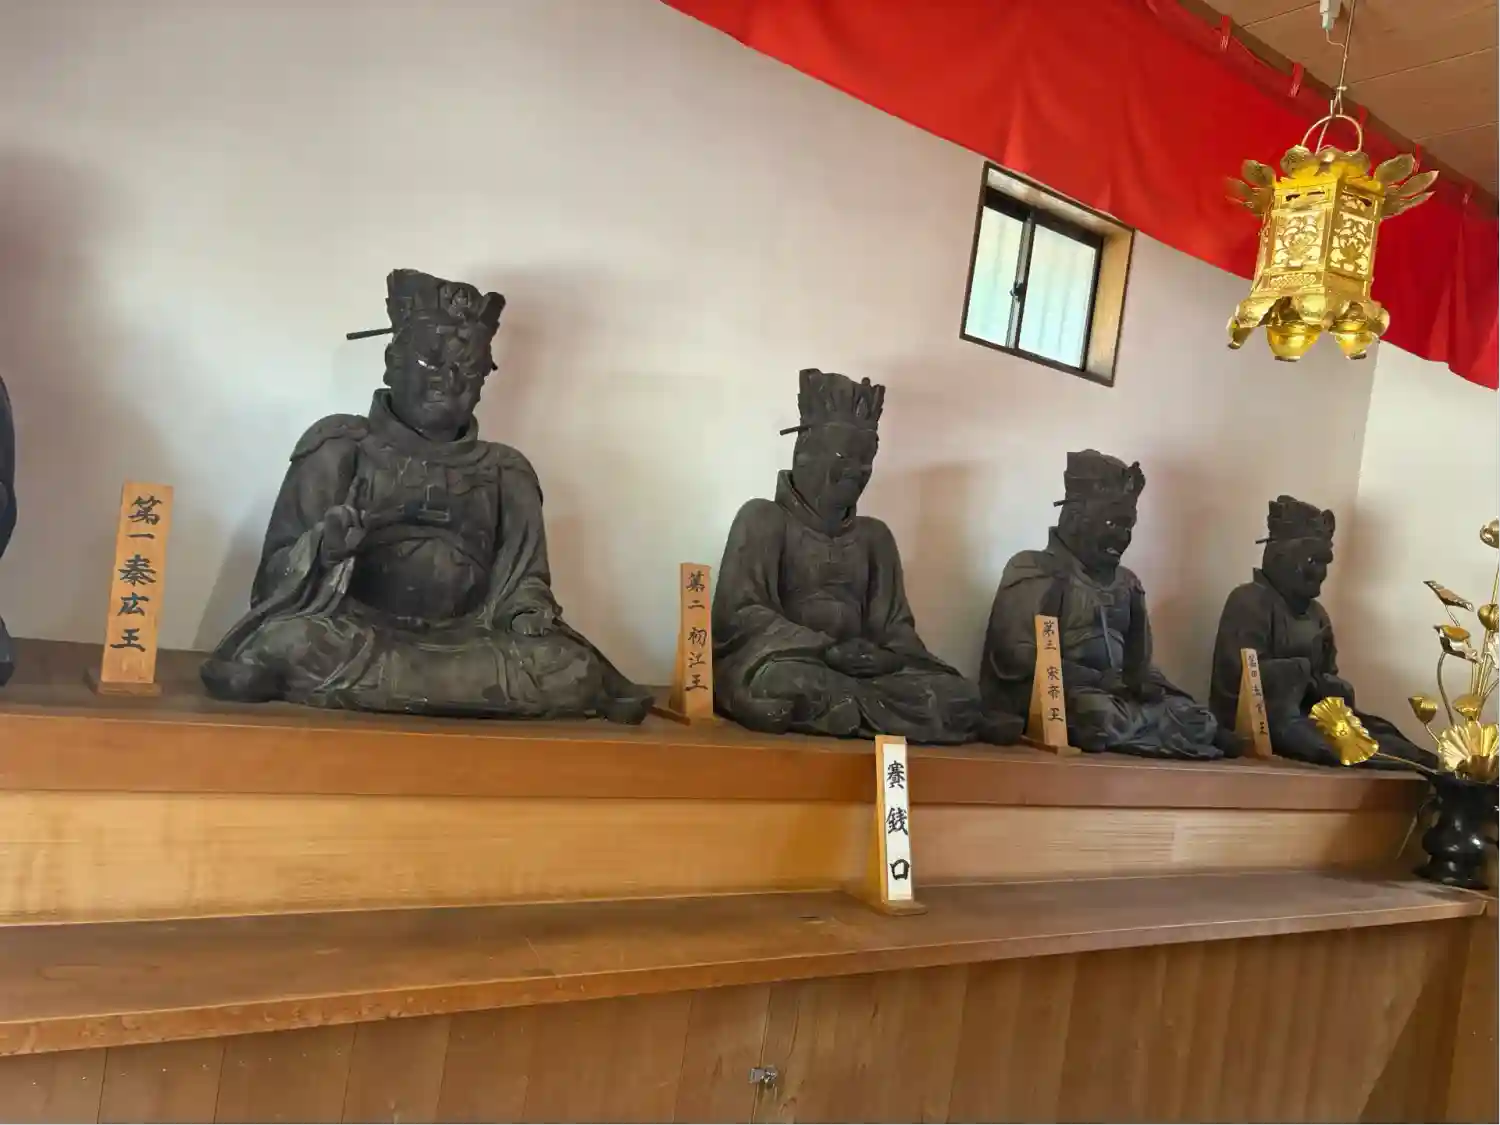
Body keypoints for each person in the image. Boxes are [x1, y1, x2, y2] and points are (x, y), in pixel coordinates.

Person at [201, 269, 651, 723]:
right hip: (357, 632)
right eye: (430, 361)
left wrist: (527, 614)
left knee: (567, 665)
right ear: (391, 362)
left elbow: (524, 582)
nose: (449, 380)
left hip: (469, 640)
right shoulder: (341, 446)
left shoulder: (505, 471)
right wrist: (324, 549)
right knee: (289, 640)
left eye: (468, 368)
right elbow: (273, 581)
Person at [713, 368, 1017, 745]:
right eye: (845, 456)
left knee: (961, 693)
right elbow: (739, 613)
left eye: (867, 460)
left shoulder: (875, 537)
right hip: (794, 658)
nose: (857, 471)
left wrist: (888, 657)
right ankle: (912, 718)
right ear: (805, 451)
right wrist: (825, 647)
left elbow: (894, 627)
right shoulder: (764, 518)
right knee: (786, 681)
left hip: (865, 670)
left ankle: (846, 711)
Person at [982, 450, 1227, 760]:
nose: (1122, 537)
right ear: (1074, 519)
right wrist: (1095, 680)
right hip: (1066, 692)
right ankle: (1102, 728)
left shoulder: (1128, 583)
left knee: (1195, 716)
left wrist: (1143, 683)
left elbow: (1140, 661)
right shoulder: (1035, 567)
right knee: (1094, 711)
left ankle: (1122, 729)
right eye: (1111, 523)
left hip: (1118, 697)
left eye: (1128, 527)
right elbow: (1015, 655)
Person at [1210, 495, 1433, 768]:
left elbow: (1330, 678)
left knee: (1392, 741)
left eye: (1325, 563)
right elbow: (1243, 676)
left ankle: (1426, 765)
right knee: (1353, 751)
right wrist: (1305, 673)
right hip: (1269, 720)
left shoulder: (1318, 615)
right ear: (1280, 557)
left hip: (1316, 713)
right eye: (1312, 561)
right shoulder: (1249, 601)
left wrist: (1329, 685)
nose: (1321, 572)